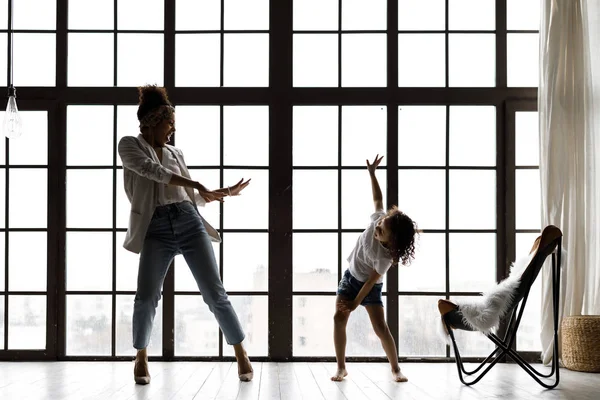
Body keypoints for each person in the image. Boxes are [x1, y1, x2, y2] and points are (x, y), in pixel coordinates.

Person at [118, 85, 253, 385]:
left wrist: (222, 192)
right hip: (155, 228)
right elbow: (152, 171)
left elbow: (186, 191)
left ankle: (241, 352)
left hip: (188, 221)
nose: (172, 131)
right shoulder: (129, 145)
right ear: (152, 122)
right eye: (169, 124)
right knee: (146, 297)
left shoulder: (176, 152)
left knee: (214, 293)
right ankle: (141, 356)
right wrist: (197, 185)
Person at [331, 154, 418, 383]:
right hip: (350, 278)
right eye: (379, 223)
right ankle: (341, 367)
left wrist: (355, 303)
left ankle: (395, 368)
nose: (377, 227)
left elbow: (371, 281)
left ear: (392, 242)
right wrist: (372, 174)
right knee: (338, 318)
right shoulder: (378, 220)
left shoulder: (385, 258)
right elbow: (378, 200)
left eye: (381, 230)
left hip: (369, 288)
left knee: (380, 329)